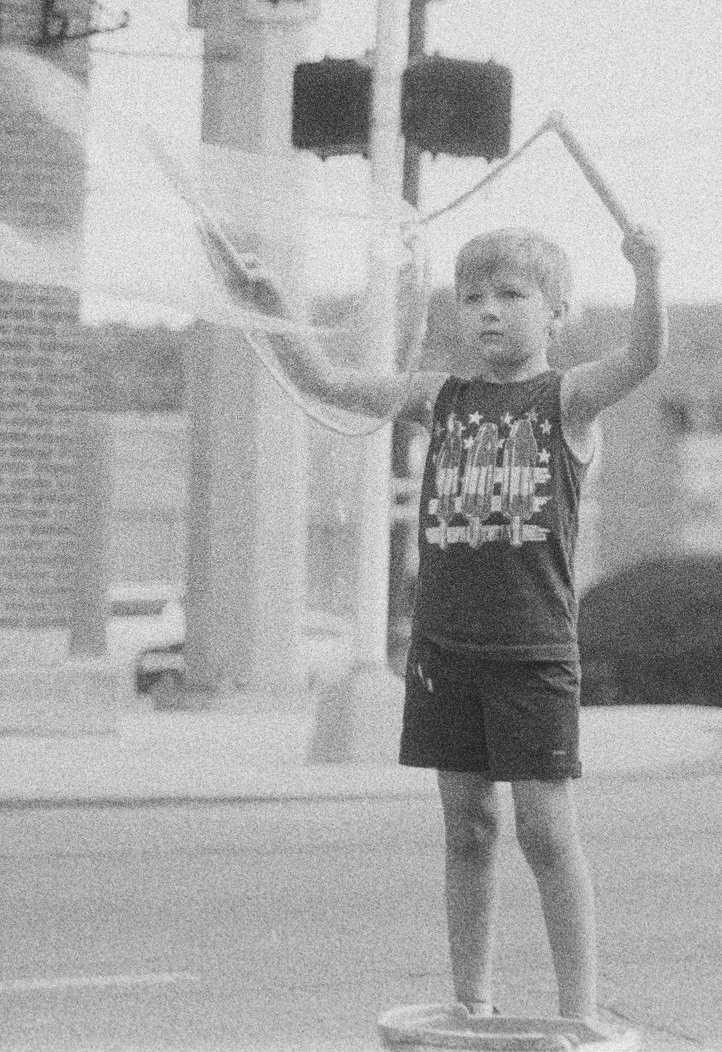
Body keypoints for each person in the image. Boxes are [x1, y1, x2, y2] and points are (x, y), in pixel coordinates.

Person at [233, 222, 665, 1043]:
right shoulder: (442, 397)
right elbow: (326, 381)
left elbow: (644, 360)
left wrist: (648, 275)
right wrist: (271, 306)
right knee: (468, 827)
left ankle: (579, 1013)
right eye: (472, 298)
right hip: (444, 653)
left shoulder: (567, 400)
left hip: (532, 655)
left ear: (557, 310)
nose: (488, 313)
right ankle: (473, 1001)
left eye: (511, 295)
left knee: (545, 830)